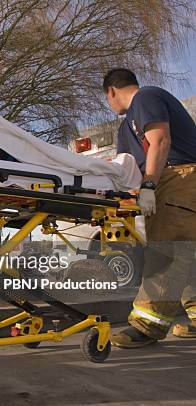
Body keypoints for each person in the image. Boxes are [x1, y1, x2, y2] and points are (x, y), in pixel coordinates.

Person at [103, 68, 196, 348]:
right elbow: (127, 167)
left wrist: (149, 185)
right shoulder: (124, 127)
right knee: (187, 256)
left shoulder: (146, 98)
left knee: (169, 252)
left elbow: (161, 141)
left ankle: (146, 326)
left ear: (111, 92)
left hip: (180, 177)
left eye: (107, 99)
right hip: (165, 182)